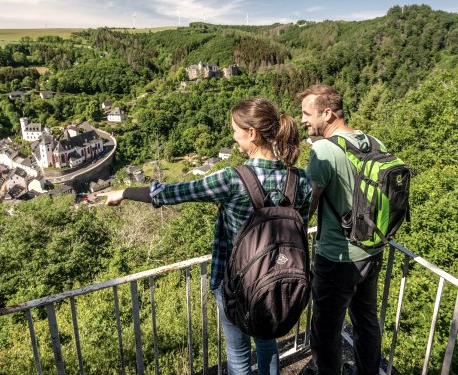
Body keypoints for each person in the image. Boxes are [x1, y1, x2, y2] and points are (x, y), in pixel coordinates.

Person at [101, 97, 312, 375]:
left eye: (236, 131)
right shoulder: (301, 180)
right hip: (278, 282)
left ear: (252, 133)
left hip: (234, 284)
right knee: (266, 343)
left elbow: (172, 193)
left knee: (238, 355)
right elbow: (299, 227)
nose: (234, 138)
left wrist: (125, 193)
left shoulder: (233, 178)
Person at [297, 85, 384, 375]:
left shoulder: (324, 149)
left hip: (337, 256)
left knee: (326, 328)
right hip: (372, 250)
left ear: (328, 113)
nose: (303, 120)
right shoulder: (373, 142)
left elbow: (307, 207)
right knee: (366, 321)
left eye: (307, 114)